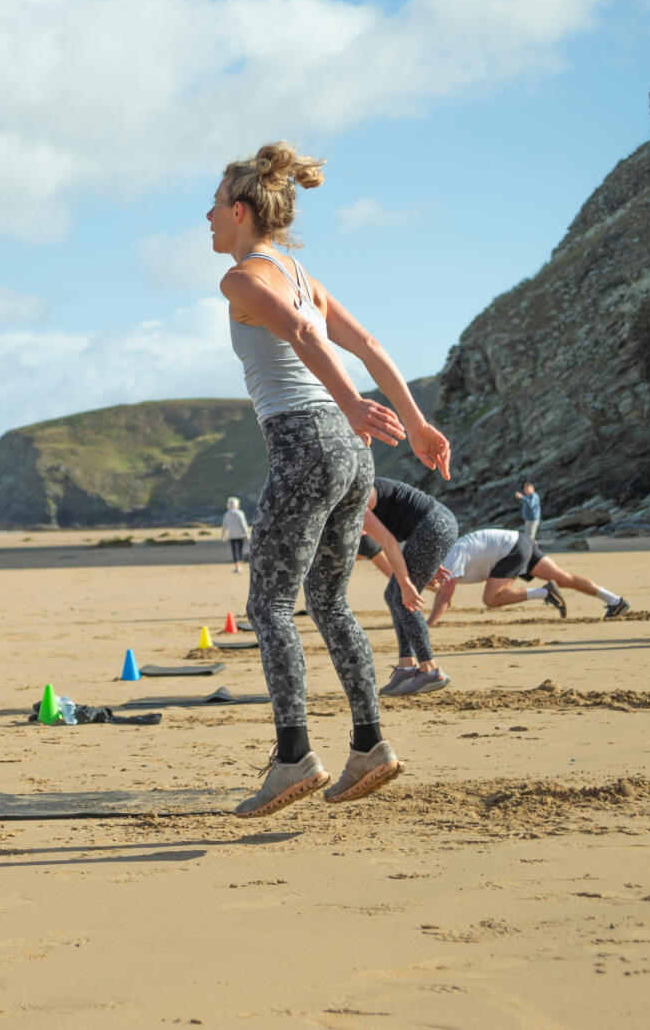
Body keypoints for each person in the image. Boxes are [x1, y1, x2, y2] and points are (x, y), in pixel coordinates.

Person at [207, 141, 451, 817]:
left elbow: (306, 340)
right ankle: (370, 745)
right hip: (350, 451)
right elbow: (368, 345)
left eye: (214, 207)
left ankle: (292, 759)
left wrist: (349, 403)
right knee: (330, 601)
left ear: (240, 210)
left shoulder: (242, 279)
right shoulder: (301, 270)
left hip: (306, 439)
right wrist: (418, 424)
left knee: (269, 607)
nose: (206, 218)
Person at [363, 479, 459, 697]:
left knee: (402, 597)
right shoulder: (354, 483)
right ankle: (406, 667)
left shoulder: (352, 493)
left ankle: (430, 669)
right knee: (392, 595)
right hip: (434, 526)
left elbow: (387, 542)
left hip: (432, 527)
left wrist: (406, 582)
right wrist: (428, 556)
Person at [426, 527, 631, 624]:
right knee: (563, 578)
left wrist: (428, 626)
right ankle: (615, 601)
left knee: (490, 599)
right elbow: (442, 592)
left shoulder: (452, 557)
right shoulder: (446, 557)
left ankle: (543, 592)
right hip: (519, 541)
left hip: (510, 551)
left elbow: (444, 597)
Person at [220, 496, 251, 573]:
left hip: (232, 535)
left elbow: (224, 526)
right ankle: (240, 566)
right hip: (240, 535)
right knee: (240, 551)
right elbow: (244, 524)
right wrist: (247, 534)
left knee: (235, 551)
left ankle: (237, 567)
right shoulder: (240, 513)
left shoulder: (227, 514)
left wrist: (223, 536)